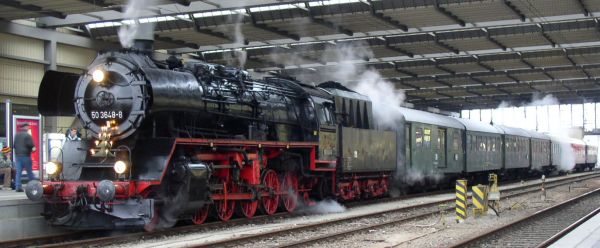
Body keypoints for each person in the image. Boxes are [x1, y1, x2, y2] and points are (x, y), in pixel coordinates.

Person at [13, 123, 37, 192]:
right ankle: (34, 186)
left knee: (18, 173)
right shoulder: (27, 135)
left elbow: (14, 145)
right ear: (26, 127)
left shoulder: (16, 135)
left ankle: (18, 187)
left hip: (18, 156)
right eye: (28, 127)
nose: (28, 128)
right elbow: (31, 145)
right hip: (26, 156)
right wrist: (33, 149)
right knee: (29, 172)